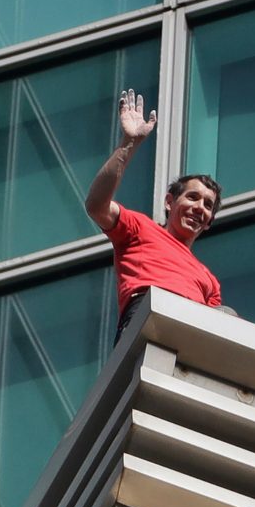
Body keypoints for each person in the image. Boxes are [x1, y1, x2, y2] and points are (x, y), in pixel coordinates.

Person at [85, 89, 223, 344]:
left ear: (209, 222)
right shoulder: (140, 228)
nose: (199, 207)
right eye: (192, 197)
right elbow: (96, 206)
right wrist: (129, 143)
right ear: (170, 202)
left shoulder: (209, 281)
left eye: (207, 205)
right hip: (149, 314)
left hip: (191, 329)